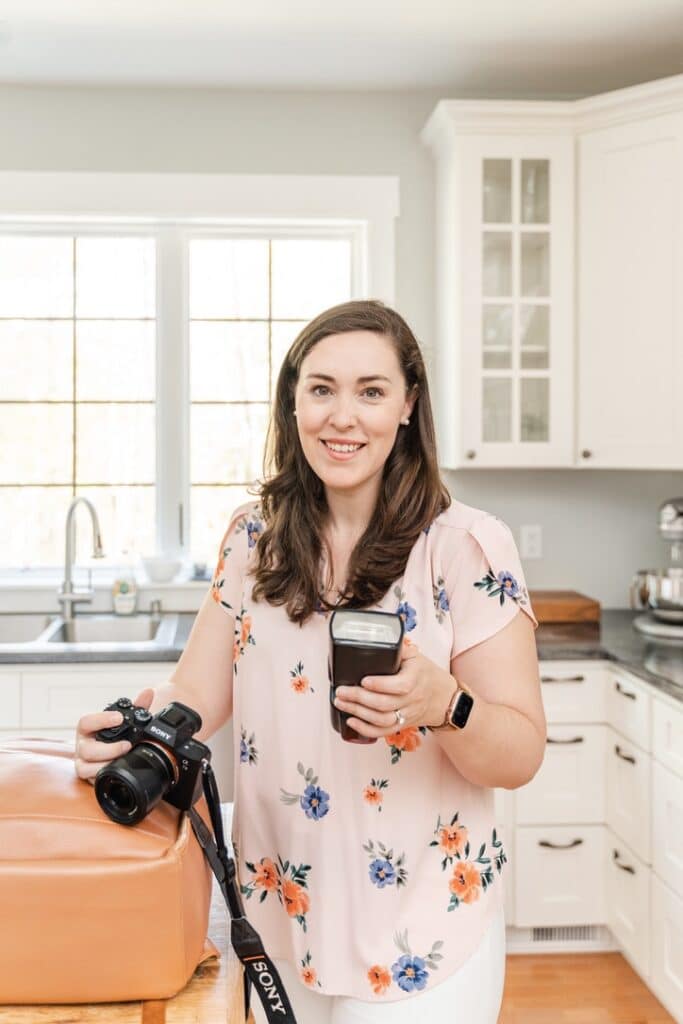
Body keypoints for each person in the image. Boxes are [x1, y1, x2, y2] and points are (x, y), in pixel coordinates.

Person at [75, 299, 545, 1024]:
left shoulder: (466, 547)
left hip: (422, 923)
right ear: (292, 402)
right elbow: (197, 689)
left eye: (371, 390)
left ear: (407, 405)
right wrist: (136, 727)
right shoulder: (250, 539)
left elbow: (517, 755)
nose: (342, 416)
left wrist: (445, 704)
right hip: (279, 909)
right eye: (321, 388)